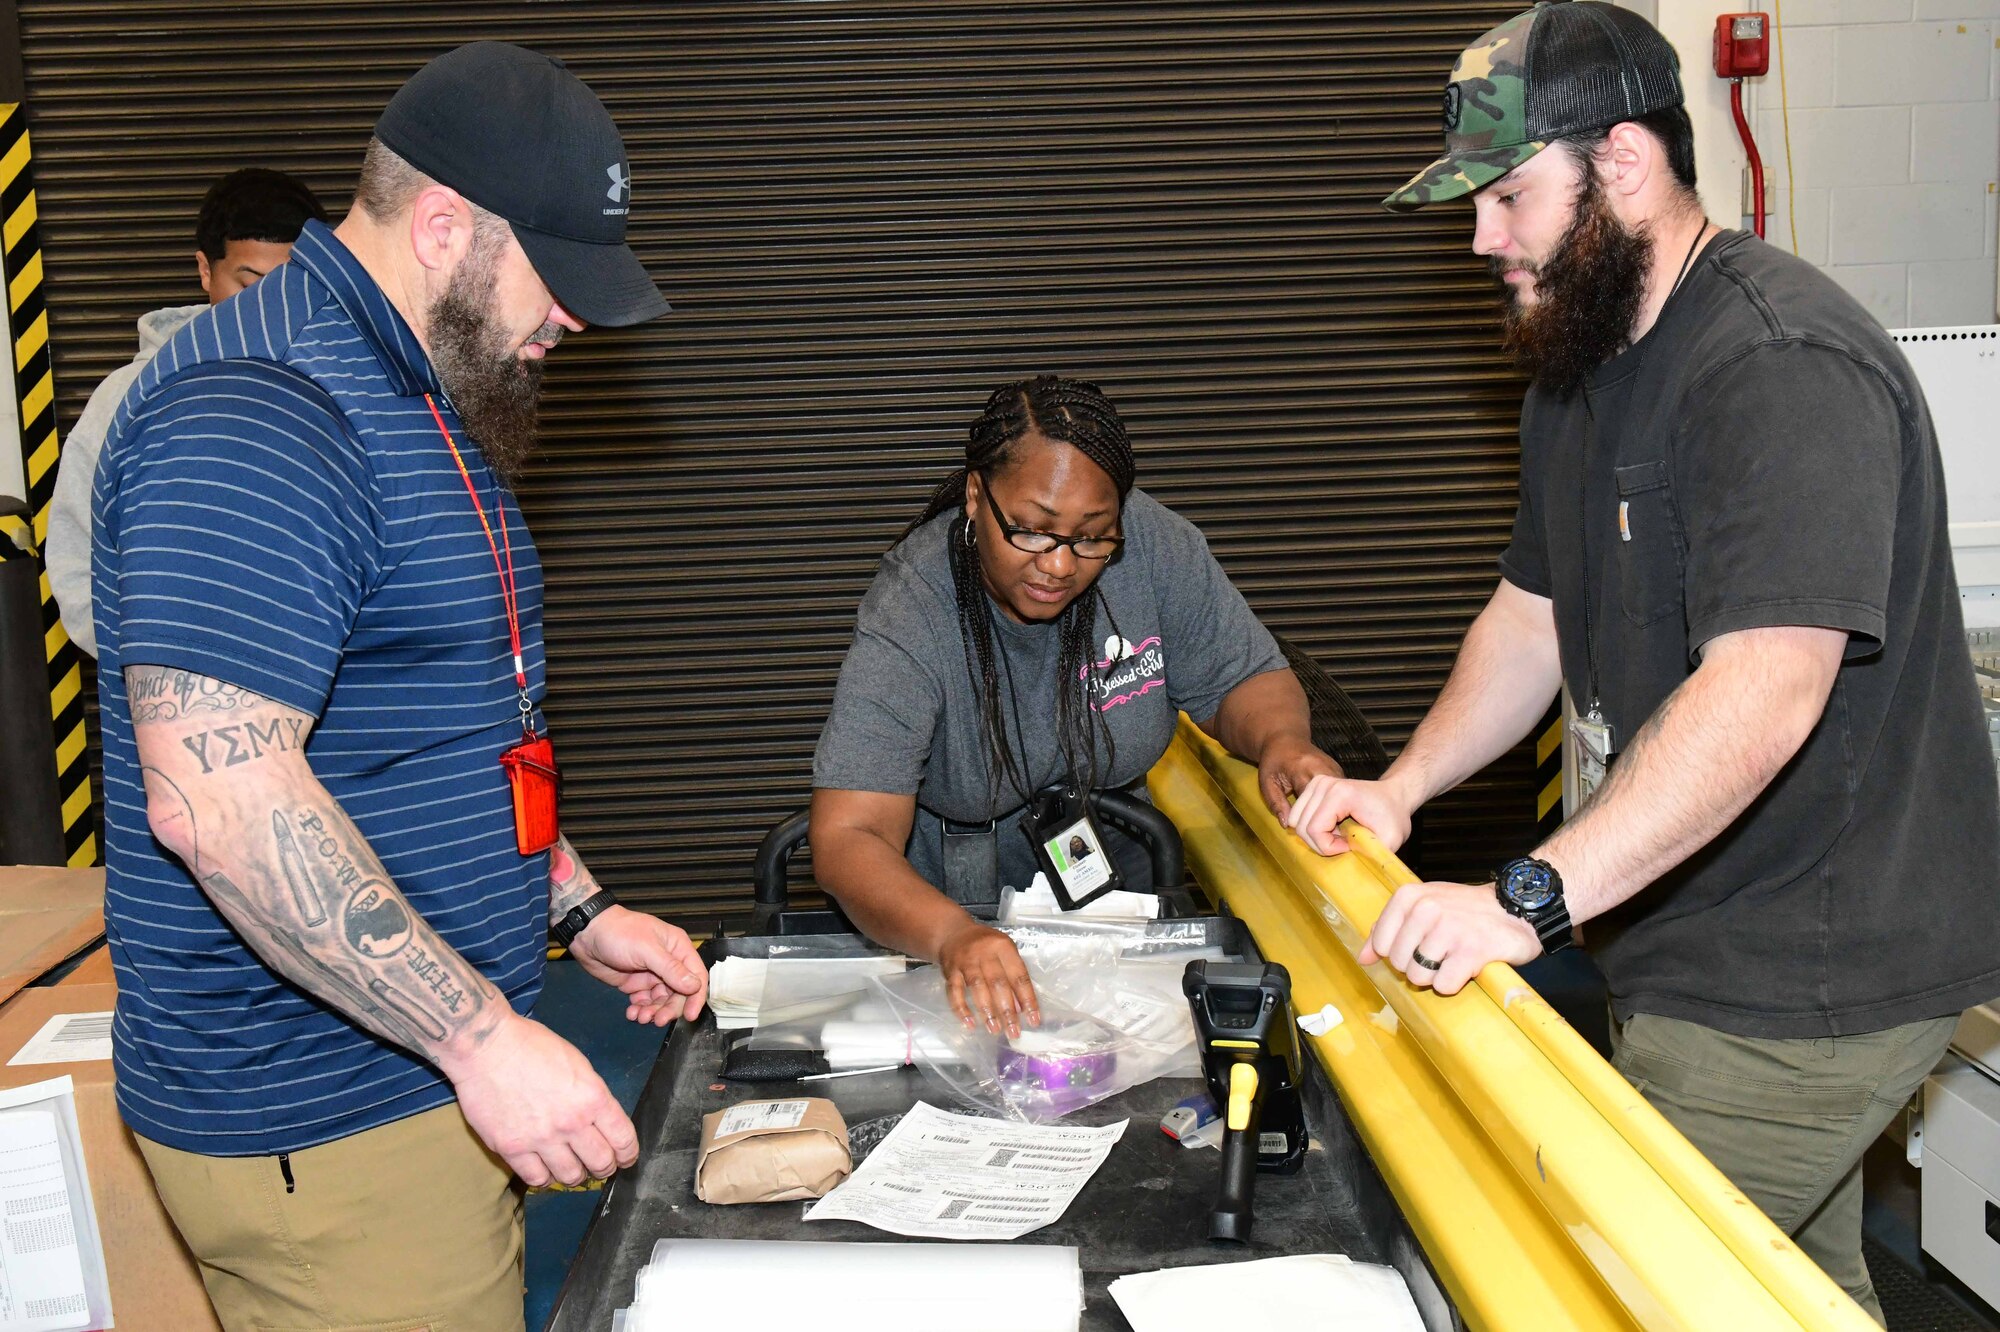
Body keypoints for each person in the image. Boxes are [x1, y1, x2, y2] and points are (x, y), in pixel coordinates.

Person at [1283, 4, 2000, 1321]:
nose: (1485, 239)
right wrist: (1402, 792)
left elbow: (1766, 694)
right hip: (1685, 925)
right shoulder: (1580, 362)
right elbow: (1529, 618)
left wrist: (1522, 901)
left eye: (1506, 197)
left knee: (1592, 1287)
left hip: (1810, 963)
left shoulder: (1779, 366)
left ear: (1618, 163)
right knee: (1782, 1293)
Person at [92, 43, 707, 1332]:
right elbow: (222, 802)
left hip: (405, 1078)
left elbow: (433, 728)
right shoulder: (257, 411)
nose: (574, 322)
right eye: (559, 282)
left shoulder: (411, 382)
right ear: (442, 227)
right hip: (329, 1109)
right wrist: (480, 1042)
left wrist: (575, 906)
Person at [811, 374, 1342, 1037]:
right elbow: (846, 837)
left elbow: (1241, 677)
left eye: (1092, 538)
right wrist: (953, 937)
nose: (1060, 565)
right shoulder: (913, 606)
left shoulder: (1154, 546)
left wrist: (1282, 741)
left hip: (1119, 888)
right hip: (957, 905)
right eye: (1031, 532)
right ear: (977, 496)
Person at [47, 167, 326, 656]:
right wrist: (165, 673)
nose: (269, 307)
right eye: (250, 283)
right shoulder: (127, 399)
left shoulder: (346, 386)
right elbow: (79, 566)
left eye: (290, 285)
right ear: (205, 270)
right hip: (176, 709)